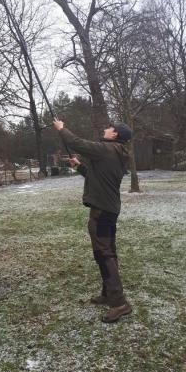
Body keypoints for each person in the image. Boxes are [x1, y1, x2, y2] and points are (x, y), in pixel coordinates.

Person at [52, 117, 132, 324]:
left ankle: (119, 304)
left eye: (109, 128)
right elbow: (96, 177)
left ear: (115, 134)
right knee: (107, 253)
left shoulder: (107, 149)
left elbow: (77, 143)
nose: (106, 129)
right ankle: (109, 294)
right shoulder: (115, 153)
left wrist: (62, 129)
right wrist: (79, 167)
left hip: (102, 212)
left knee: (104, 255)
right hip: (108, 210)